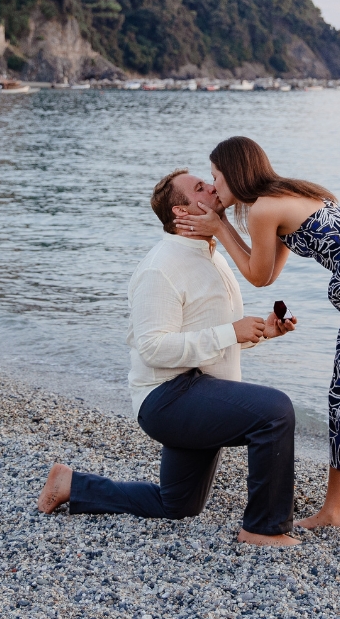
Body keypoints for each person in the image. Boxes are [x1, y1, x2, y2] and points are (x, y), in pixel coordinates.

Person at [175, 136, 340, 558]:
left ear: (235, 171)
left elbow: (255, 275)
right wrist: (225, 226)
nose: (215, 187)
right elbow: (267, 273)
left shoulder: (264, 209)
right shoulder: (287, 195)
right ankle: (334, 510)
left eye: (215, 177)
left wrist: (220, 227)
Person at [37, 168, 300, 546]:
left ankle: (72, 485)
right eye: (200, 187)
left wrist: (260, 332)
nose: (213, 188)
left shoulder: (213, 257)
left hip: (199, 389)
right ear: (182, 213)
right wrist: (231, 332)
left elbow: (207, 335)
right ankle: (262, 528)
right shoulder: (161, 267)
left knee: (178, 504)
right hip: (168, 397)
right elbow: (153, 347)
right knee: (275, 412)